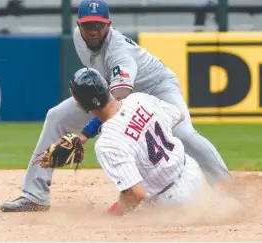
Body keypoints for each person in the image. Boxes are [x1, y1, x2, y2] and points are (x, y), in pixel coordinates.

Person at [0, 0, 229, 213]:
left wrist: (86, 133)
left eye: (99, 25)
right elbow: (109, 98)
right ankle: (35, 196)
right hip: (111, 92)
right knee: (56, 116)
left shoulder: (119, 51)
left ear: (109, 25)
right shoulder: (79, 39)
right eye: (88, 25)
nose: (93, 30)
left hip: (155, 88)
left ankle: (227, 186)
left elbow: (117, 99)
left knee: (184, 132)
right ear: (78, 25)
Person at [73, 68, 204, 215]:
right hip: (193, 173)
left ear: (82, 105)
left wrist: (111, 215)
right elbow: (178, 116)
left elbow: (136, 194)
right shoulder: (139, 99)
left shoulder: (107, 143)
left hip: (170, 202)